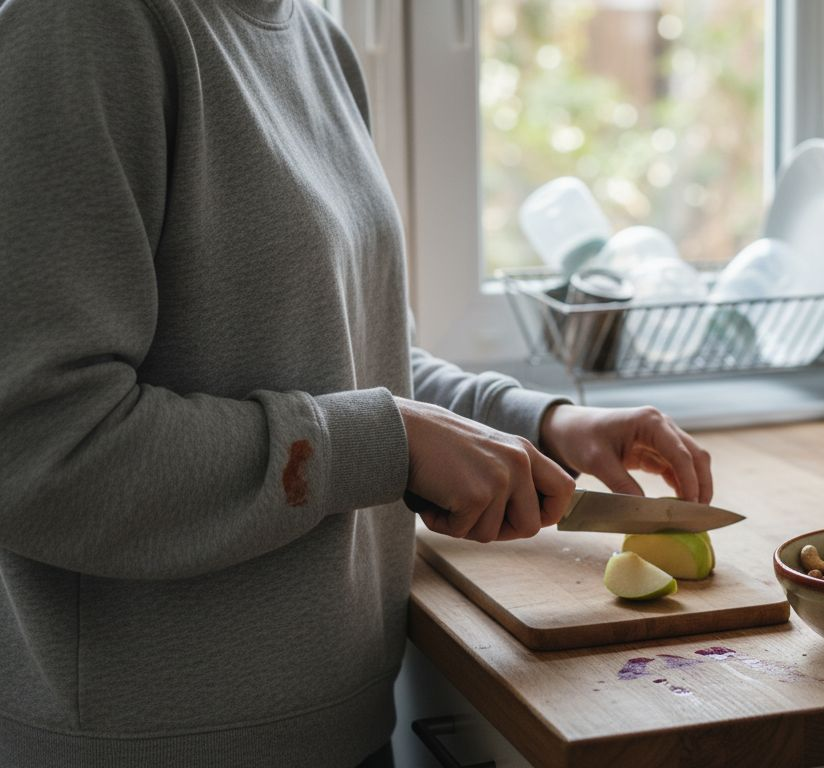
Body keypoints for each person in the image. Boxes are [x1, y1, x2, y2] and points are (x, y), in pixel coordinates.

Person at [0, 1, 712, 766]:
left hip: (345, 723)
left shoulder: (315, 37)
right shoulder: (81, 27)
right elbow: (36, 449)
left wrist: (538, 423)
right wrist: (385, 444)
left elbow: (365, 361)